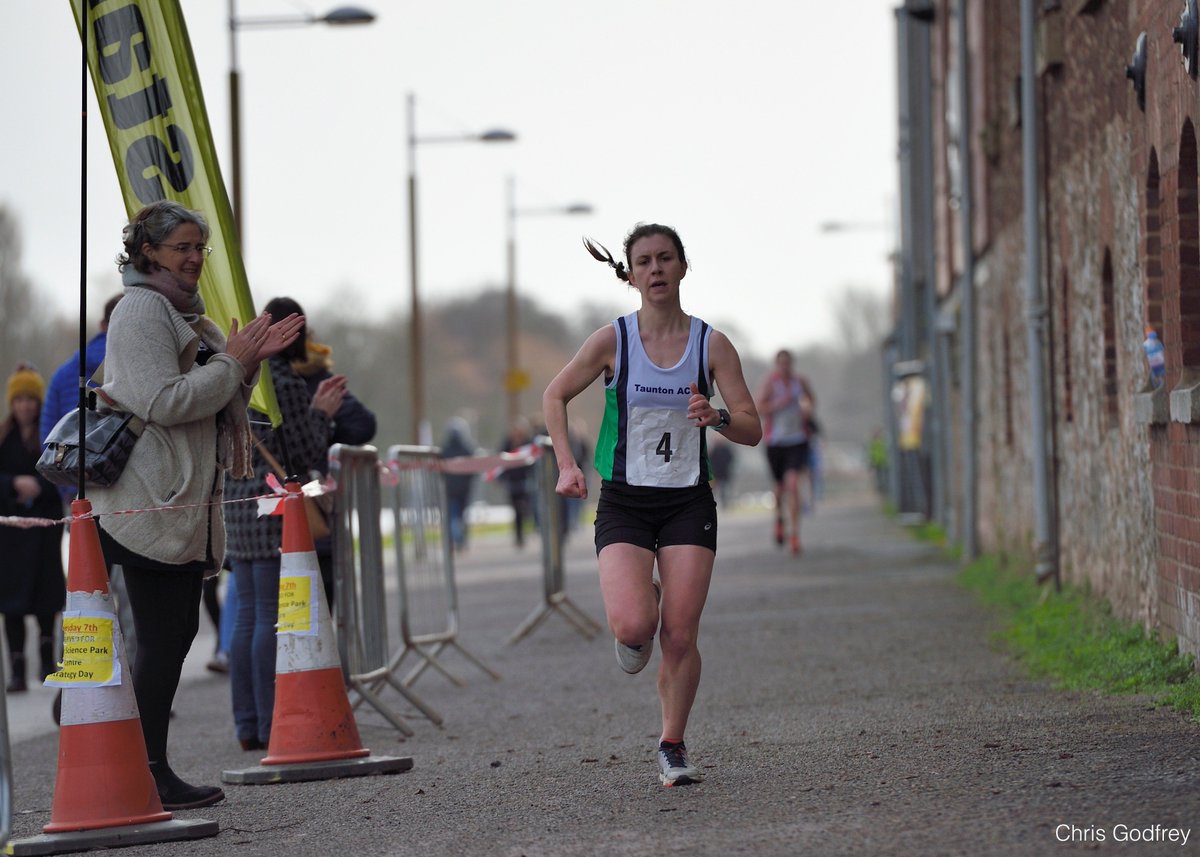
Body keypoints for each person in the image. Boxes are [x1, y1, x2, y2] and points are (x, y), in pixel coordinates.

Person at [88, 200, 304, 810]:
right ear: (147, 251)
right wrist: (235, 362)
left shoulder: (184, 315)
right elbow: (166, 401)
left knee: (177, 633)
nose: (193, 258)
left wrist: (245, 364)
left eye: (198, 247)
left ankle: (149, 767)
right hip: (147, 503)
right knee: (161, 638)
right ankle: (145, 771)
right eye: (181, 246)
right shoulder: (140, 311)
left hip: (179, 502)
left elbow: (211, 397)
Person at [543, 223, 761, 787]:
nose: (656, 269)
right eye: (645, 261)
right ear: (632, 275)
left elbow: (752, 427)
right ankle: (645, 600)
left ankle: (672, 744)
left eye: (666, 258)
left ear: (683, 268)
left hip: (689, 499)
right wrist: (567, 464)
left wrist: (716, 417)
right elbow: (555, 394)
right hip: (625, 502)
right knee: (636, 626)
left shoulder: (712, 345)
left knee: (681, 635)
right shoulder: (612, 340)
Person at [223, 296, 345, 755]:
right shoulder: (284, 382)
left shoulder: (235, 371)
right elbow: (304, 449)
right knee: (273, 619)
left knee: (247, 616)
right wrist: (322, 413)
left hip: (237, 503)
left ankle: (247, 722)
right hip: (276, 508)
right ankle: (276, 717)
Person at [287, 317, 377, 604]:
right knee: (320, 596)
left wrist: (324, 432)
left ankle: (231, 650)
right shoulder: (318, 379)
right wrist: (327, 433)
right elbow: (363, 424)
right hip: (315, 500)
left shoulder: (262, 378)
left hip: (276, 505)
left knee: (262, 604)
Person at [0, 364, 65, 693]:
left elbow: (63, 477)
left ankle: (45, 660)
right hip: (10, 535)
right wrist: (14, 483)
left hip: (42, 531)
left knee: (45, 597)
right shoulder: (3, 438)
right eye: (19, 399)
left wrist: (40, 486)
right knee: (10, 602)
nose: (25, 405)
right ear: (12, 403)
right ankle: (16, 669)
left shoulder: (51, 435)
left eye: (30, 399)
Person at [757, 349, 814, 556]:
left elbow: (811, 400)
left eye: (787, 363)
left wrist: (807, 409)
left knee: (792, 483)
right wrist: (778, 404)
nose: (784, 367)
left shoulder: (801, 381)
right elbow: (760, 407)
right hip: (775, 441)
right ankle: (780, 519)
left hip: (797, 440)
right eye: (780, 363)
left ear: (792, 364)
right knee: (779, 488)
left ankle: (795, 534)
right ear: (776, 365)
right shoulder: (770, 383)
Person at [440, 417, 478, 552]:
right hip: (463, 489)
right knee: (461, 515)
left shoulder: (444, 450)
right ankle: (460, 539)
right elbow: (473, 470)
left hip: (450, 489)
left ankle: (454, 539)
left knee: (452, 515)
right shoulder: (467, 449)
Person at [498, 416, 536, 549]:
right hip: (512, 482)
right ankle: (519, 536)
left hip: (525, 481)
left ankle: (527, 530)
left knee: (524, 508)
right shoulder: (508, 443)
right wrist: (501, 478)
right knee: (516, 510)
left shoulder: (528, 442)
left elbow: (533, 461)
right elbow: (500, 460)